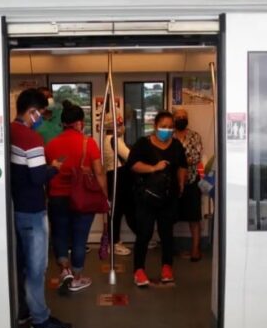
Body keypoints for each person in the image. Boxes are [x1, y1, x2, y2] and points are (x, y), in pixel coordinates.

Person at [10, 89, 72, 328]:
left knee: (22, 265)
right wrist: (53, 168)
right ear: (32, 111)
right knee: (37, 268)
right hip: (33, 210)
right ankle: (40, 319)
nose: (42, 119)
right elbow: (37, 177)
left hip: (16, 207)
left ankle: (24, 310)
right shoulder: (30, 138)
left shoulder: (10, 132)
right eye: (41, 114)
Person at [45, 101, 107, 294]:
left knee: (60, 235)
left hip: (57, 197)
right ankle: (77, 278)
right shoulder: (88, 143)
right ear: (80, 122)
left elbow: (49, 170)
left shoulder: (51, 145)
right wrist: (105, 196)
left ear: (62, 123)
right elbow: (99, 173)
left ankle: (65, 270)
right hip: (82, 198)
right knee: (80, 238)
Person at [127, 111, 188, 287]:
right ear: (155, 126)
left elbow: (182, 166)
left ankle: (167, 267)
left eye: (170, 127)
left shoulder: (176, 146)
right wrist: (153, 168)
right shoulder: (143, 144)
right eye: (163, 127)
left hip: (169, 198)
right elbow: (133, 165)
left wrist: (181, 182)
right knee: (144, 234)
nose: (167, 130)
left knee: (167, 234)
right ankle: (139, 270)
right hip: (146, 197)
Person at [172, 108, 204, 262]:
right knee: (169, 217)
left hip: (191, 181)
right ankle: (169, 248)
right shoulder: (169, 136)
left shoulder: (195, 136)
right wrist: (183, 160)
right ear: (173, 119)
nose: (181, 119)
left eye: (184, 116)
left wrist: (179, 161)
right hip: (172, 183)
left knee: (194, 218)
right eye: (178, 117)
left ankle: (195, 249)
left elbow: (196, 157)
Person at [102, 114, 134, 256]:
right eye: (121, 124)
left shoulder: (106, 139)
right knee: (117, 211)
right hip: (118, 177)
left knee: (116, 210)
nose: (123, 127)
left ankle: (114, 241)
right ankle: (114, 243)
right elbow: (130, 156)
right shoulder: (115, 139)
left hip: (111, 175)